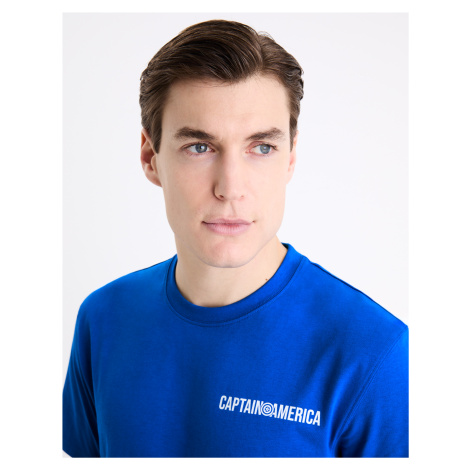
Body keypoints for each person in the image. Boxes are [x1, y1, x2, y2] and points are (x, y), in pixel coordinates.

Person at [62, 19, 408, 458]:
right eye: (199, 147)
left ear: (290, 158)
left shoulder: (373, 351)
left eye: (261, 147)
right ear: (151, 157)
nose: (230, 187)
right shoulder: (103, 319)